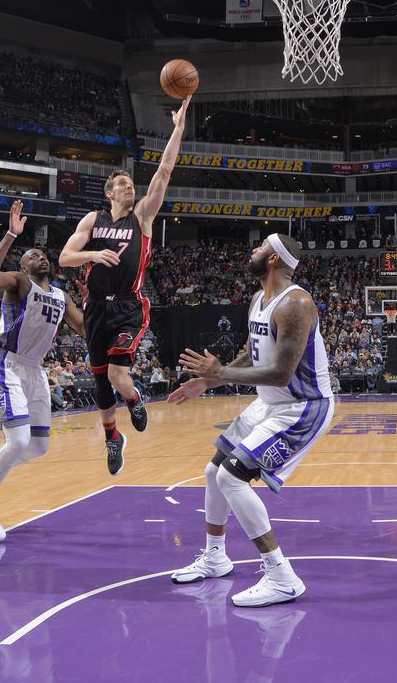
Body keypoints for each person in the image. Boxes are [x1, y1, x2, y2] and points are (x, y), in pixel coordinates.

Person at [169, 234, 334, 607]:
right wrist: (208, 382)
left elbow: (280, 374)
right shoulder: (260, 300)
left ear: (274, 258)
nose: (252, 251)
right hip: (270, 403)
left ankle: (281, 576)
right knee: (213, 472)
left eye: (259, 247)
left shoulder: (296, 303)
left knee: (231, 476)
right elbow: (252, 354)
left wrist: (221, 371)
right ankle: (215, 557)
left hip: (303, 406)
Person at [59, 97, 190, 475]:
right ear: (109, 193)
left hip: (130, 306)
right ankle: (112, 439)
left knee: (118, 375)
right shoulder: (93, 220)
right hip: (95, 308)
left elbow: (164, 171)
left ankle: (134, 397)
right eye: (123, 184)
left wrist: (178, 128)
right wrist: (93, 255)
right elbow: (66, 257)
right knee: (100, 383)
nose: (130, 187)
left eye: (132, 183)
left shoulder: (144, 216)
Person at [0, 202, 85, 541]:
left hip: (34, 371)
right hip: (6, 364)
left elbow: (86, 330)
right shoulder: (18, 282)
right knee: (17, 439)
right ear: (24, 264)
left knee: (38, 448)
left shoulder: (62, 295)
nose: (42, 258)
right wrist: (10, 236)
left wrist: (95, 305)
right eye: (33, 255)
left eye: (44, 255)